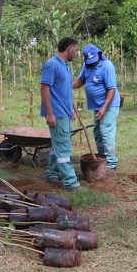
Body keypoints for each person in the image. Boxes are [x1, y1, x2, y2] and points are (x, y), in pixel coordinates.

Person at [40, 37, 84, 191]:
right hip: (56, 113)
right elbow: (44, 88)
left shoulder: (65, 66)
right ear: (69, 49)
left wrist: (70, 108)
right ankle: (70, 183)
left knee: (57, 145)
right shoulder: (52, 65)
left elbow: (63, 90)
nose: (76, 53)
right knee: (64, 148)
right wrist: (50, 113)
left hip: (64, 111)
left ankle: (52, 173)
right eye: (76, 50)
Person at [73, 44, 121, 171]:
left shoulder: (107, 66)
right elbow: (81, 80)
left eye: (93, 61)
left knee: (106, 131)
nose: (92, 64)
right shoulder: (87, 65)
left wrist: (104, 108)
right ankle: (102, 157)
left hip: (109, 105)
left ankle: (111, 163)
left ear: (99, 54)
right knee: (98, 132)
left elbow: (112, 89)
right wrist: (67, 85)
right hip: (97, 106)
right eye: (89, 61)